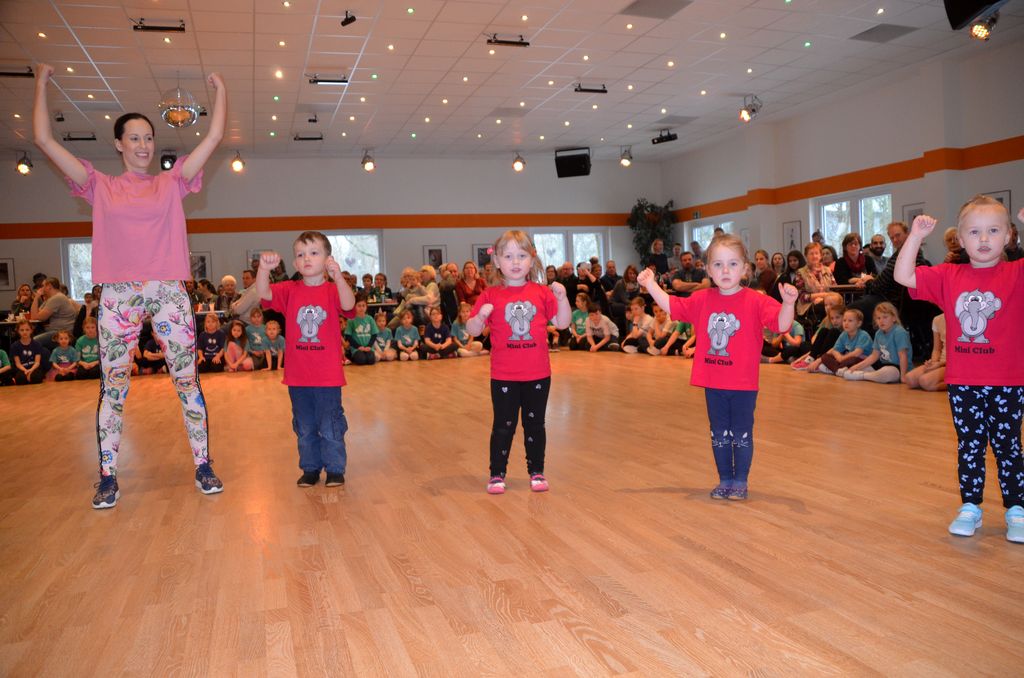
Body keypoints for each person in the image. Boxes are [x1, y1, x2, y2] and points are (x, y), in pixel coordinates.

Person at [34, 62, 226, 508]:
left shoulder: (172, 182)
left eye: (149, 137)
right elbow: (44, 140)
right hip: (119, 295)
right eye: (134, 138)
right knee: (114, 386)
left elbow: (214, 137)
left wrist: (220, 91)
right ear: (119, 144)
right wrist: (41, 82)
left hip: (169, 291)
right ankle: (107, 476)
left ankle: (203, 465)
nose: (143, 145)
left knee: (187, 381)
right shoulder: (99, 186)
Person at [895, 201, 1024, 542]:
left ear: (1008, 236)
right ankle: (970, 506)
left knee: (1009, 447)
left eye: (993, 231)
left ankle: (1016, 509)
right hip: (964, 383)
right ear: (961, 240)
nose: (984, 239)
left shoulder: (1017, 273)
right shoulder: (949, 276)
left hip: (1009, 383)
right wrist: (915, 236)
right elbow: (903, 276)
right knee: (970, 446)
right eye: (974, 232)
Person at [639, 234, 798, 501]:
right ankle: (725, 479)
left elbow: (782, 325)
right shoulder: (702, 299)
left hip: (744, 385)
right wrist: (651, 285)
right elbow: (673, 306)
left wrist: (789, 304)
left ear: (745, 268)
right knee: (719, 434)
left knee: (742, 434)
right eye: (718, 264)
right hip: (713, 383)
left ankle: (740, 481)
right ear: (708, 269)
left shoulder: (756, 300)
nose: (725, 271)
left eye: (733, 264)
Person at [467, 230, 570, 495]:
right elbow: (472, 329)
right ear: (497, 261)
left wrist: (562, 299)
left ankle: (537, 471)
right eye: (508, 256)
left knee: (535, 424)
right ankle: (496, 473)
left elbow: (562, 323)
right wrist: (480, 318)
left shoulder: (542, 292)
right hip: (504, 375)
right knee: (503, 425)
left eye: (522, 256)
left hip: (538, 373)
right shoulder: (490, 294)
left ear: (532, 259)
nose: (515, 262)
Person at [256, 231, 356, 488]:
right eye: (300, 255)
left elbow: (348, 305)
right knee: (304, 425)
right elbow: (264, 292)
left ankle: (335, 468)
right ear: (294, 263)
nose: (307, 258)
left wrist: (339, 277)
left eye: (313, 253)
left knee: (330, 423)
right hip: (298, 376)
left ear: (328, 258)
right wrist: (264, 269)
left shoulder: (333, 290)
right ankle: (310, 468)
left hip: (328, 376)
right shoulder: (289, 290)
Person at [840, 302, 911, 383]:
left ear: (894, 318)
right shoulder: (878, 333)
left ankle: (863, 376)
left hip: (898, 368)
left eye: (885, 317)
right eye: (878, 318)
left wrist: (903, 376)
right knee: (864, 365)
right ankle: (863, 373)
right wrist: (856, 367)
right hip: (882, 365)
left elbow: (903, 356)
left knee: (889, 372)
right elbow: (874, 356)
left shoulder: (899, 332)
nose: (881, 321)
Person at [807, 308, 872, 375]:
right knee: (825, 357)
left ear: (859, 323)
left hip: (861, 360)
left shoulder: (863, 335)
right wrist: (838, 357)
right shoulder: (844, 334)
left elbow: (857, 353)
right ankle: (839, 370)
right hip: (846, 359)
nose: (846, 323)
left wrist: (842, 358)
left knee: (853, 359)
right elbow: (834, 350)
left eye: (850, 321)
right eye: (844, 320)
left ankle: (835, 369)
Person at [29, 276, 79, 348]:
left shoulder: (57, 298)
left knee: (32, 342)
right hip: (57, 331)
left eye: (43, 286)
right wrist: (37, 298)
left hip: (61, 333)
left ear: (49, 286)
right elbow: (35, 314)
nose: (41, 289)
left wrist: (36, 297)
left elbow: (34, 317)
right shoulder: (51, 298)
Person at [904, 314, 946, 391]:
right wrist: (933, 363)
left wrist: (941, 364)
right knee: (910, 379)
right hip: (941, 362)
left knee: (925, 382)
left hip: (954, 365)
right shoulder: (937, 319)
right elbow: (937, 349)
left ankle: (958, 383)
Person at [345, 296, 378, 365]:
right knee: (361, 360)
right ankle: (352, 356)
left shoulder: (370, 319)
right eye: (359, 306)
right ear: (354, 307)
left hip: (368, 348)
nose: (361, 308)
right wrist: (358, 347)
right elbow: (348, 336)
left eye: (363, 306)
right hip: (356, 348)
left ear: (366, 307)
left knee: (371, 360)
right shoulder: (351, 320)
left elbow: (374, 334)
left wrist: (369, 346)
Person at [11, 320, 46, 385]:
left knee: (36, 378)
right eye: (22, 330)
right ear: (18, 331)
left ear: (31, 330)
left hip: (34, 368)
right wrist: (25, 370)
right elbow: (18, 364)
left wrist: (31, 370)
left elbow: (37, 362)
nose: (25, 332)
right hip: (22, 368)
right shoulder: (14, 346)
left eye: (27, 330)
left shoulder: (37, 344)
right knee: (20, 379)